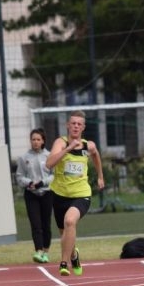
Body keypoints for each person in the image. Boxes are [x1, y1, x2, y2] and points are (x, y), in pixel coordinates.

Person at [45, 110, 105, 276]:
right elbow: (49, 164)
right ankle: (74, 254)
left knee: (70, 221)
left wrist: (100, 176)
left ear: (83, 127)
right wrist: (68, 149)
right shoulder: (61, 142)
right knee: (64, 233)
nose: (76, 126)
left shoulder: (88, 145)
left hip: (81, 194)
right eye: (73, 123)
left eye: (79, 124)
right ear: (67, 125)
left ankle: (64, 263)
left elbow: (96, 155)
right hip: (59, 195)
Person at [15, 128, 54, 264]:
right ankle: (38, 251)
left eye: (38, 139)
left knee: (46, 224)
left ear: (43, 141)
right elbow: (19, 177)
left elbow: (54, 175)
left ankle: (46, 251)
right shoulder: (24, 158)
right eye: (33, 139)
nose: (36, 142)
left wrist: (43, 182)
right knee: (35, 224)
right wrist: (29, 183)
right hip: (31, 194)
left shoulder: (49, 155)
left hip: (47, 193)